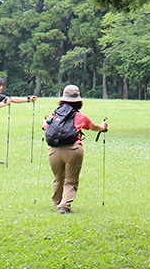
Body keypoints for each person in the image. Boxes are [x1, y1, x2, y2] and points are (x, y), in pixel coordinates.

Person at [44, 84, 107, 214]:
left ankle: (57, 202)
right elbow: (93, 126)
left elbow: (46, 126)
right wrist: (103, 127)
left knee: (58, 178)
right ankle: (64, 205)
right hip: (73, 150)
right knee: (71, 180)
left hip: (54, 150)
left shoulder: (55, 114)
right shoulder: (80, 116)